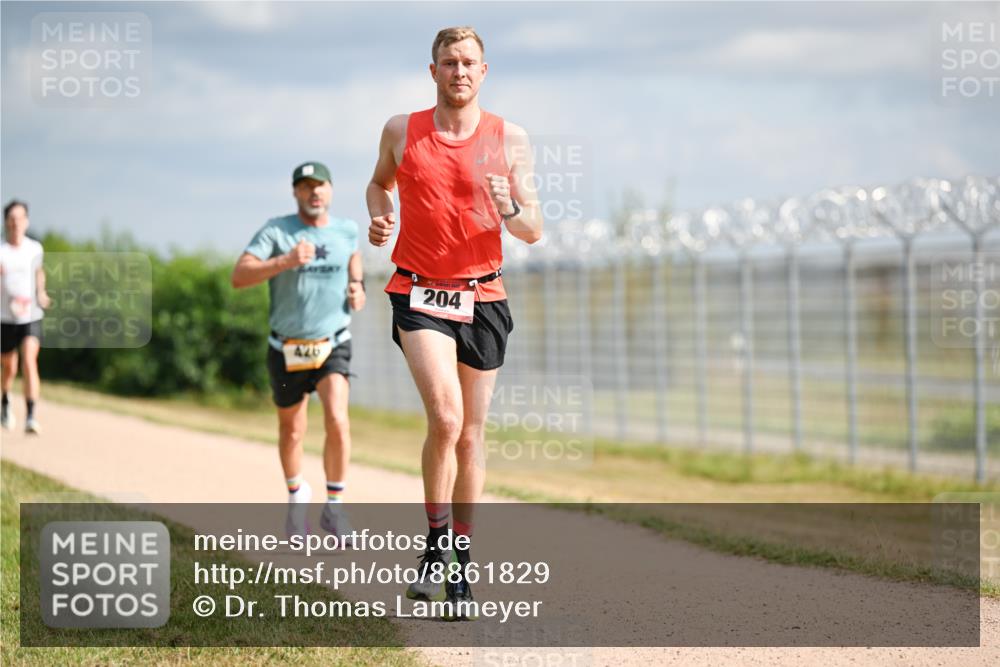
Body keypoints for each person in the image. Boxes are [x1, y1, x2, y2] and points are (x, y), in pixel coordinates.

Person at [367, 26, 543, 618]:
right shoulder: (402, 129)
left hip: (483, 295)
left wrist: (508, 206)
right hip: (418, 291)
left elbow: (532, 227)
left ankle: (457, 563)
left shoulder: (508, 137)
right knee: (446, 418)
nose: (459, 71)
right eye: (449, 62)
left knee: (472, 434)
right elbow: (377, 184)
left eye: (469, 62)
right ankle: (437, 544)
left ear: (484, 71)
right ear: (433, 71)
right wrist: (379, 214)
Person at [232, 162, 365, 540]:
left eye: (320, 185)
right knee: (292, 431)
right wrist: (284, 261)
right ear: (295, 192)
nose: (314, 193)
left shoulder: (346, 230)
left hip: (332, 342)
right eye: (306, 187)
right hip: (286, 346)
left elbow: (353, 254)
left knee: (338, 418)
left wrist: (357, 284)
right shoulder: (277, 230)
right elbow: (239, 276)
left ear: (331, 190)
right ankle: (296, 497)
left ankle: (335, 508)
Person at [1, 200, 51, 434]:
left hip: (30, 315)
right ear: (6, 222)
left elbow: (38, 273)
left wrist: (40, 293)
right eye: (11, 219)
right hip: (5, 318)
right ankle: (5, 400)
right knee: (9, 368)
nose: (16, 223)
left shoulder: (35, 249)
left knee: (30, 360)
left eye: (20, 218)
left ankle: (31, 415)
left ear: (26, 221)